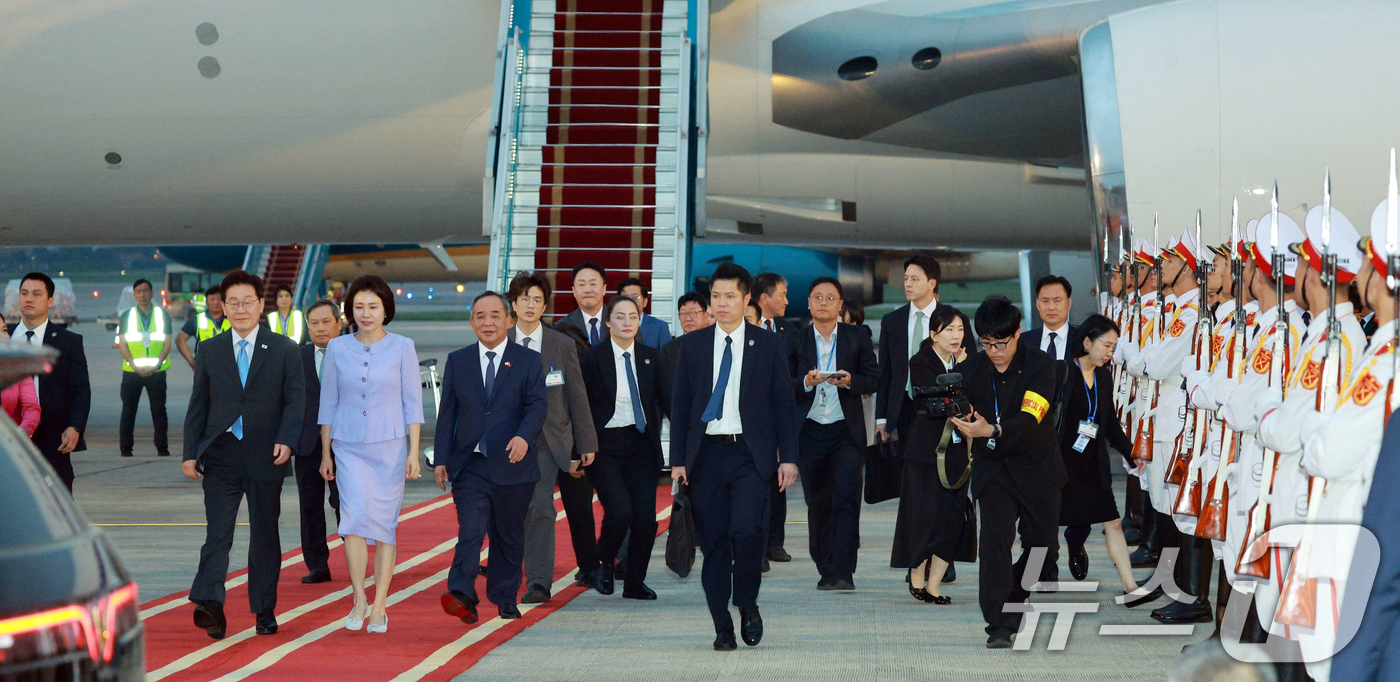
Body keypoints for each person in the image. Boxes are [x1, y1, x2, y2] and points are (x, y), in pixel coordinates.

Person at [669, 263, 800, 650]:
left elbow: (784, 405)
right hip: (706, 455)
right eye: (716, 296)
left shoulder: (768, 344)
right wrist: (678, 460)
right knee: (713, 543)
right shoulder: (693, 345)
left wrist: (789, 458)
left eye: (730, 296)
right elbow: (681, 406)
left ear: (746, 300)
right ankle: (721, 625)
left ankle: (746, 602)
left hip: (749, 455)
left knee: (747, 532)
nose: (721, 303)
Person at [184, 270, 304, 640]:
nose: (240, 309)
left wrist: (287, 440)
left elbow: (295, 401)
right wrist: (190, 453)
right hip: (221, 454)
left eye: (247, 302)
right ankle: (211, 606)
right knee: (217, 534)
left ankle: (264, 610)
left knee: (265, 535)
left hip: (267, 454)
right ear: (222, 306)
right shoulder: (210, 349)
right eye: (232, 303)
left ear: (261, 305)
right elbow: (198, 404)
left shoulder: (284, 348)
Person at [949, 294, 1066, 649]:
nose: (994, 351)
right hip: (994, 469)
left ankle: (1014, 594)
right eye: (987, 344)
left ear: (1017, 334)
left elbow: (1032, 417)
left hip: (1037, 467)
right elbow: (964, 417)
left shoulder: (1041, 365)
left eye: (1001, 343)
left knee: (1043, 549)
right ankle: (998, 623)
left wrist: (994, 429)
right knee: (994, 543)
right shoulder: (971, 370)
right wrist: (963, 422)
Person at [318, 275, 423, 634]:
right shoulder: (337, 348)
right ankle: (359, 598)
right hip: (348, 446)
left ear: (385, 310)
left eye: (373, 307)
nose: (366, 314)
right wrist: (326, 453)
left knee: (383, 525)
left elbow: (412, 403)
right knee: (352, 521)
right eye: (359, 307)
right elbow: (328, 403)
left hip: (389, 447)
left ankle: (380, 604)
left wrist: (413, 452)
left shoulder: (403, 346)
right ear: (350, 310)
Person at [436, 292, 547, 624]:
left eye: (495, 315)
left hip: (513, 463)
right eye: (480, 316)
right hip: (471, 464)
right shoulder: (458, 360)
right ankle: (461, 594)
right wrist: (441, 458)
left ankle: (504, 597)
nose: (488, 322)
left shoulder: (528, 360)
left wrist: (524, 436)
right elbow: (447, 413)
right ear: (471, 322)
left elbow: (537, 405)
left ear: (509, 320)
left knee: (507, 535)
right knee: (471, 529)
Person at [506, 272, 601, 604]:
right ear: (513, 304)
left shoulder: (560, 345)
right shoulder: (499, 341)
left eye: (537, 300)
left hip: (547, 441)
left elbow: (576, 396)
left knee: (540, 507)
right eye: (524, 299)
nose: (530, 306)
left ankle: (538, 581)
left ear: (544, 305)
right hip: (506, 441)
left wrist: (585, 444)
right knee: (507, 508)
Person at [1058, 315, 1158, 604]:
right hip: (1061, 463)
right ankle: (1028, 585)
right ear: (1087, 342)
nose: (1109, 353)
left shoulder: (1104, 375)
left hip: (1093, 463)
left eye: (1114, 348)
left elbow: (1109, 423)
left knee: (1112, 523)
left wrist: (1130, 452)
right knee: (1046, 526)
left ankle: (1130, 587)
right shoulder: (1062, 371)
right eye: (1106, 345)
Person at [790, 277, 878, 591]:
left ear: (840, 304)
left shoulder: (857, 336)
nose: (824, 303)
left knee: (846, 498)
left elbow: (874, 378)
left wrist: (851, 381)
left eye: (830, 298)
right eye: (818, 297)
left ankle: (844, 570)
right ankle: (825, 568)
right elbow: (782, 385)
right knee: (818, 502)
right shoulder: (795, 339)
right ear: (809, 303)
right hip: (810, 430)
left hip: (846, 431)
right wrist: (806, 382)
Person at [579, 295, 670, 599]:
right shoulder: (593, 358)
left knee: (645, 519)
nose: (627, 322)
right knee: (619, 511)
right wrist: (578, 448)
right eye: (620, 316)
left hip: (642, 446)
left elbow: (668, 401)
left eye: (633, 316)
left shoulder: (650, 357)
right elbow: (579, 407)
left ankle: (634, 582)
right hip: (605, 447)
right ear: (608, 322)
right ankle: (603, 563)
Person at [891, 306, 972, 604]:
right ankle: (917, 578)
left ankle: (935, 584)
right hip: (925, 452)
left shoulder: (967, 361)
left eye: (960, 329)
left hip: (957, 451)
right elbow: (933, 398)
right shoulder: (921, 360)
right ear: (934, 334)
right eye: (949, 329)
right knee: (922, 515)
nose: (956, 335)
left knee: (951, 517)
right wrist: (958, 377)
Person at [10, 273, 89, 492]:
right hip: (10, 433)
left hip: (53, 437)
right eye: (24, 293)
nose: (29, 299)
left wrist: (75, 427)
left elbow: (81, 390)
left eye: (37, 294)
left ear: (50, 301)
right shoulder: (4, 338)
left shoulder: (68, 342)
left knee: (57, 499)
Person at [295, 299, 341, 585]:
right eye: (314, 323)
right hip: (307, 445)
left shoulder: (353, 354)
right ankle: (317, 565)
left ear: (339, 323)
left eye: (326, 322)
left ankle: (356, 557)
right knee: (310, 506)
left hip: (344, 443)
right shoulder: (296, 357)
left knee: (343, 503)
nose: (320, 328)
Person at [876, 254, 942, 446]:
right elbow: (885, 373)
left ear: (931, 284)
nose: (908, 284)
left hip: (940, 404)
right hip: (903, 406)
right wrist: (881, 418)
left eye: (915, 279)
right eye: (906, 278)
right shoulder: (892, 321)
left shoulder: (951, 319)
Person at [117, 277, 173, 457]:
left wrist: (157, 364)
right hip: (132, 372)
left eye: (145, 291)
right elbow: (123, 344)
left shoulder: (162, 315)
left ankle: (162, 447)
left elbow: (167, 343)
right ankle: (126, 447)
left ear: (152, 293)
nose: (142, 295)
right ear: (134, 295)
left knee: (159, 410)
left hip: (157, 372)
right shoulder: (127, 316)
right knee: (128, 411)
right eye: (139, 292)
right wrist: (134, 366)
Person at [0, 313, 41, 436]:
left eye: (4, 330)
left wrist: (23, 432)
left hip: (10, 440)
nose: (3, 336)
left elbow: (32, 408)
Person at [1023, 274, 1077, 362]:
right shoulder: (1023, 341)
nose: (1051, 307)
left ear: (1069, 303)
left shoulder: (1082, 340)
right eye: (1045, 301)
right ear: (1037, 304)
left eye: (1057, 301)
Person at [555, 262, 608, 347]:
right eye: (582, 285)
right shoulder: (563, 328)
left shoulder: (619, 321)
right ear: (574, 291)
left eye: (593, 284)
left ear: (604, 289)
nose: (587, 290)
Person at [177, 286, 230, 370]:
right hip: (204, 367)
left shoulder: (233, 320)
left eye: (219, 299)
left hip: (228, 368)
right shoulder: (198, 319)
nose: (215, 302)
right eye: (212, 299)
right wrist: (191, 362)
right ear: (206, 302)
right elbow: (180, 340)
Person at [663, 291, 711, 382]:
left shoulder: (716, 343)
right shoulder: (669, 349)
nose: (688, 318)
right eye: (683, 313)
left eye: (693, 312)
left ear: (706, 315)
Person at [618, 277, 674, 349]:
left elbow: (668, 355)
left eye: (635, 297)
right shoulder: (612, 325)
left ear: (645, 302)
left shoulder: (660, 327)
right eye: (625, 298)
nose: (630, 301)